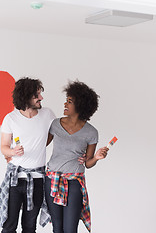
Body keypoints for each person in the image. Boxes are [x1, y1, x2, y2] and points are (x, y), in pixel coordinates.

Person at [0, 77, 56, 233]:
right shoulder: (11, 118)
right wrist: (13, 152)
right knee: (9, 227)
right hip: (15, 180)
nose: (41, 98)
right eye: (37, 95)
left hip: (38, 180)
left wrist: (40, 144)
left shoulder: (47, 114)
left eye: (40, 94)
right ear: (26, 97)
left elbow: (53, 135)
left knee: (29, 227)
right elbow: (4, 147)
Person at [45, 80, 108, 233]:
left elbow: (88, 163)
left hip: (74, 182)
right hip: (52, 179)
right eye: (66, 100)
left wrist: (97, 158)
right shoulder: (55, 124)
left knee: (70, 229)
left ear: (80, 106)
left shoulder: (91, 132)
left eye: (70, 101)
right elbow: (40, 146)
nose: (65, 104)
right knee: (57, 228)